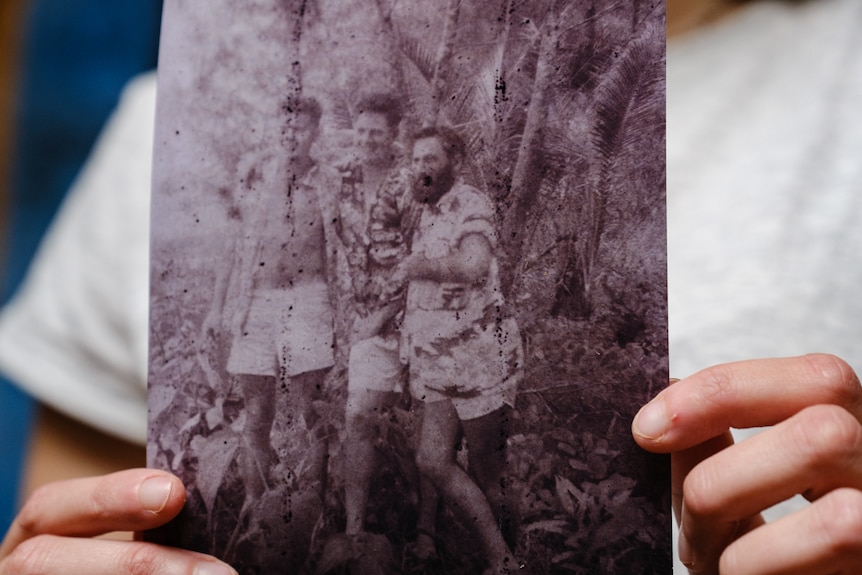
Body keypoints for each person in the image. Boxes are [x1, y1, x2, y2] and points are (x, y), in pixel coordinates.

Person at [0, 0, 861, 573]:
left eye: (408, 148)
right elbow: (82, 506)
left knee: (467, 459)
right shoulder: (154, 135)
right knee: (374, 431)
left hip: (462, 352)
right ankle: (358, 527)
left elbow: (462, 261)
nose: (398, 158)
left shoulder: (840, 84)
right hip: (380, 339)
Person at [198, 95, 337, 502]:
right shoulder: (255, 178)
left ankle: (312, 510)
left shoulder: (328, 181)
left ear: (316, 132)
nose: (292, 134)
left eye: (302, 127)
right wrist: (215, 307)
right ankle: (256, 515)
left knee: (313, 412)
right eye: (285, 125)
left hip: (310, 298)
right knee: (257, 414)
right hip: (256, 302)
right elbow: (233, 246)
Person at [399, 126, 522, 574]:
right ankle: (501, 558)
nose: (420, 169)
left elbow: (474, 266)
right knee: (433, 458)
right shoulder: (427, 214)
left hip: (479, 361)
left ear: (455, 161)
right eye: (415, 161)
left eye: (429, 159)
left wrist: (420, 267)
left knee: (490, 471)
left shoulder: (470, 203)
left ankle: (510, 560)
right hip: (438, 363)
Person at [333, 93, 439, 555]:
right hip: (367, 321)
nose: (367, 140)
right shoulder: (343, 179)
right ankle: (355, 532)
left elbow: (423, 258)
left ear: (393, 134)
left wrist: (383, 314)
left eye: (376, 132)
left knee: (426, 427)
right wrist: (359, 315)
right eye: (361, 131)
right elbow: (338, 243)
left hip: (417, 318)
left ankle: (427, 534)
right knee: (359, 415)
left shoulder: (412, 184)